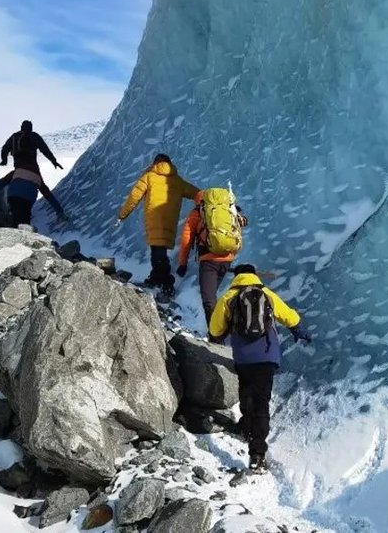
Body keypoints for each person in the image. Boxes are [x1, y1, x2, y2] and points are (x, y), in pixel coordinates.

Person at [208, 264, 312, 472]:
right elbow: (290, 317)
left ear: (236, 277)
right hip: (267, 355)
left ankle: (246, 428)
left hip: (243, 357)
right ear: (254, 275)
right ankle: (258, 454)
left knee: (246, 393)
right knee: (261, 400)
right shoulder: (266, 293)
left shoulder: (229, 297)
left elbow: (215, 329)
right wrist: (298, 331)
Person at [118, 154, 199, 296]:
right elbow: (197, 193)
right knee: (158, 250)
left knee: (158, 253)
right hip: (170, 220)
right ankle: (156, 278)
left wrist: (123, 214)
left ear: (155, 163)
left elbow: (134, 196)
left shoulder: (149, 176)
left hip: (154, 218)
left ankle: (167, 283)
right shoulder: (177, 181)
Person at [176, 190, 248, 324]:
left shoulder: (197, 213)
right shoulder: (227, 210)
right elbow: (242, 222)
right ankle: (224, 329)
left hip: (209, 261)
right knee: (213, 297)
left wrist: (182, 263)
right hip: (227, 260)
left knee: (209, 301)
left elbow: (186, 240)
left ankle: (216, 337)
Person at [0, 170, 67, 224]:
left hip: (13, 196)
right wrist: (60, 211)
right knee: (23, 221)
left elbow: (2, 182)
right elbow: (48, 196)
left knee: (15, 216)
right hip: (28, 199)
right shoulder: (37, 176)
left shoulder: (17, 171)